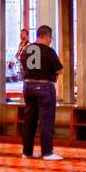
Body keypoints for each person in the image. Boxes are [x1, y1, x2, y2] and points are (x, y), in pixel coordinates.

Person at [20, 24, 63, 161]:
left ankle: (27, 152)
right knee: (46, 120)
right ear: (46, 36)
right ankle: (47, 152)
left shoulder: (26, 49)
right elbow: (59, 70)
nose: (51, 40)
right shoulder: (48, 51)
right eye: (50, 37)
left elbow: (22, 64)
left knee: (29, 121)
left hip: (27, 86)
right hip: (44, 87)